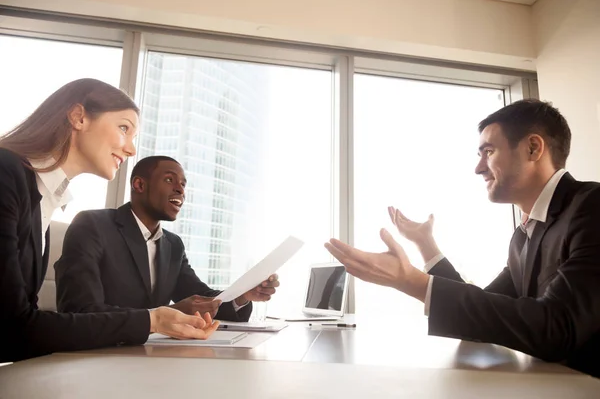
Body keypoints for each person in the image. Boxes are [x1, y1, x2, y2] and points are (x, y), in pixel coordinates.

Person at [325, 99, 600, 377]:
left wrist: (411, 281)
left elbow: (558, 329)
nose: (478, 168)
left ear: (533, 148)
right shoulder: (522, 237)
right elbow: (483, 313)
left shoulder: (593, 207)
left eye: (488, 152)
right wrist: (426, 245)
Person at [0, 78, 218, 363]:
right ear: (78, 117)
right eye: (124, 128)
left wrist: (156, 320)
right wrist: (152, 321)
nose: (131, 149)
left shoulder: (40, 201)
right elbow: (13, 330)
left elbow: (20, 325)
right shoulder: (7, 175)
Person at [55, 156, 279, 320]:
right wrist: (169, 314)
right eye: (170, 180)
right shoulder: (93, 226)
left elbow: (201, 299)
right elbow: (80, 311)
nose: (180, 190)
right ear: (139, 185)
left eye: (183, 184)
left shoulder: (173, 245)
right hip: (98, 357)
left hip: (152, 356)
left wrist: (243, 294)